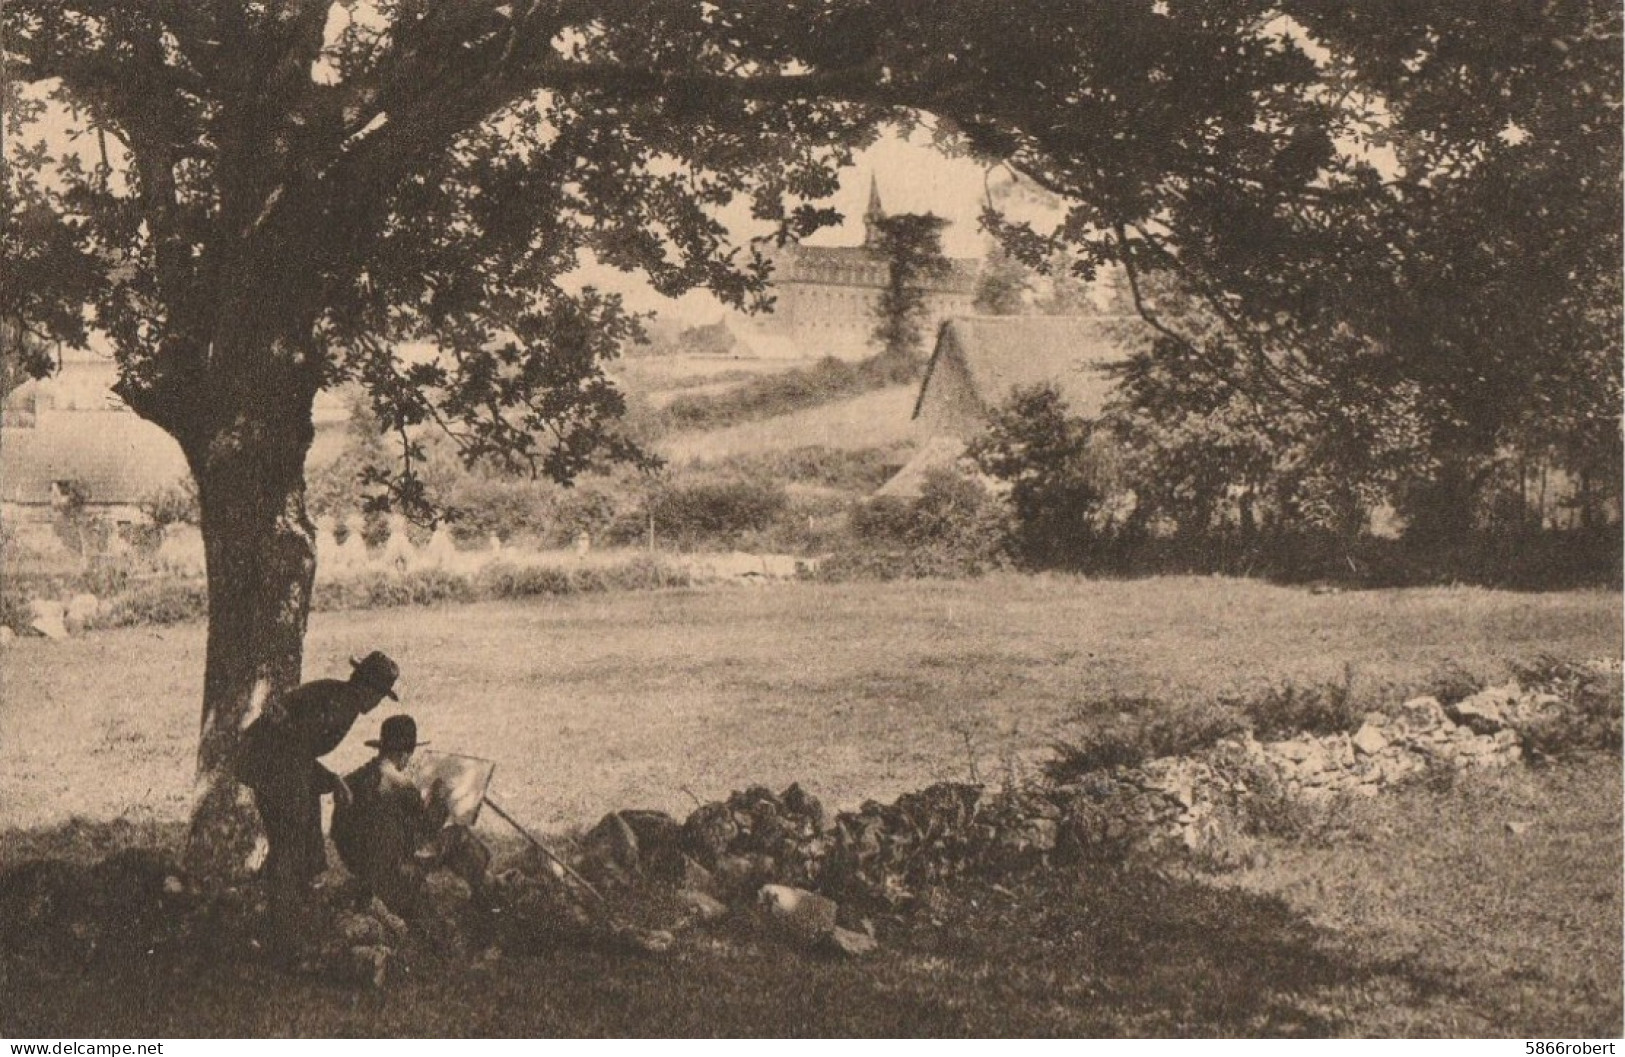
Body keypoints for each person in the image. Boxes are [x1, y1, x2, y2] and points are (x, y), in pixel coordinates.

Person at [235, 650, 401, 955]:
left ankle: (282, 920)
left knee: (296, 843)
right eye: (379, 695)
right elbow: (294, 748)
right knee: (290, 845)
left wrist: (326, 781)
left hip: (273, 763)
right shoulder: (341, 706)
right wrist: (330, 780)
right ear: (368, 689)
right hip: (271, 765)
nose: (377, 703)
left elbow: (297, 748)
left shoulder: (338, 695)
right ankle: (284, 937)